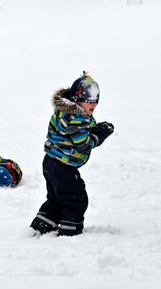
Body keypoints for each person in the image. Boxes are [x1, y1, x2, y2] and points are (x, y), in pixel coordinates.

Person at [30, 71, 114, 236]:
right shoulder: (77, 118)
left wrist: (93, 128)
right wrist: (100, 134)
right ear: (77, 101)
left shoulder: (64, 112)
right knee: (76, 198)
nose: (92, 111)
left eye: (94, 107)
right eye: (90, 107)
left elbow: (75, 133)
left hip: (50, 162)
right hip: (63, 167)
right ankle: (70, 230)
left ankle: (42, 224)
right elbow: (83, 145)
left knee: (56, 198)